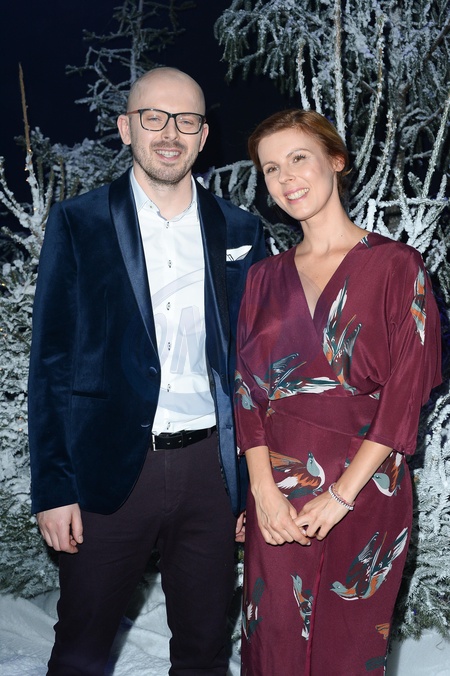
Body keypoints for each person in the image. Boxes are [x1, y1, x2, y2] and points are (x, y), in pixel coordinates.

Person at [27, 66, 265, 675]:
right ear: (126, 127)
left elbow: (255, 367)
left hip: (210, 474)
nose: (169, 132)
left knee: (205, 651)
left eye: (186, 120)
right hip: (106, 473)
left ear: (203, 135)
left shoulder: (242, 230)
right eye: (153, 117)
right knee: (80, 650)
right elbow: (50, 363)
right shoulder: (78, 222)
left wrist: (251, 484)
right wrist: (54, 488)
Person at [234, 109, 442, 675]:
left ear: (336, 161)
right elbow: (247, 392)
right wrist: (262, 492)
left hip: (367, 486)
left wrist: (342, 495)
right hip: (279, 492)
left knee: (346, 652)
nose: (285, 178)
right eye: (271, 168)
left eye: (298, 158)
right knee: (273, 644)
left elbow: (405, 395)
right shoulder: (262, 278)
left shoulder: (398, 266)